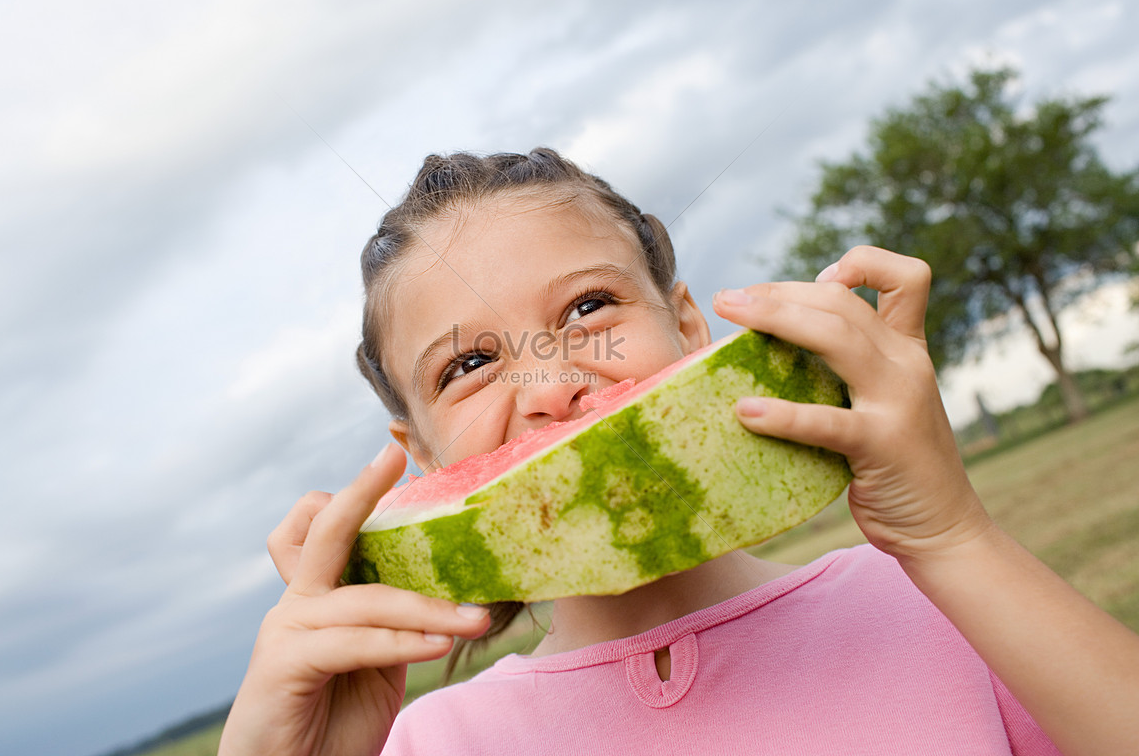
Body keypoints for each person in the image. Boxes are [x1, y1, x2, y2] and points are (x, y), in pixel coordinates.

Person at [218, 148, 1138, 756]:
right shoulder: (427, 744)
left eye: (588, 309)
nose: (548, 387)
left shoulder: (941, 603)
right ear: (417, 456)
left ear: (688, 325)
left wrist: (953, 538)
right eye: (469, 363)